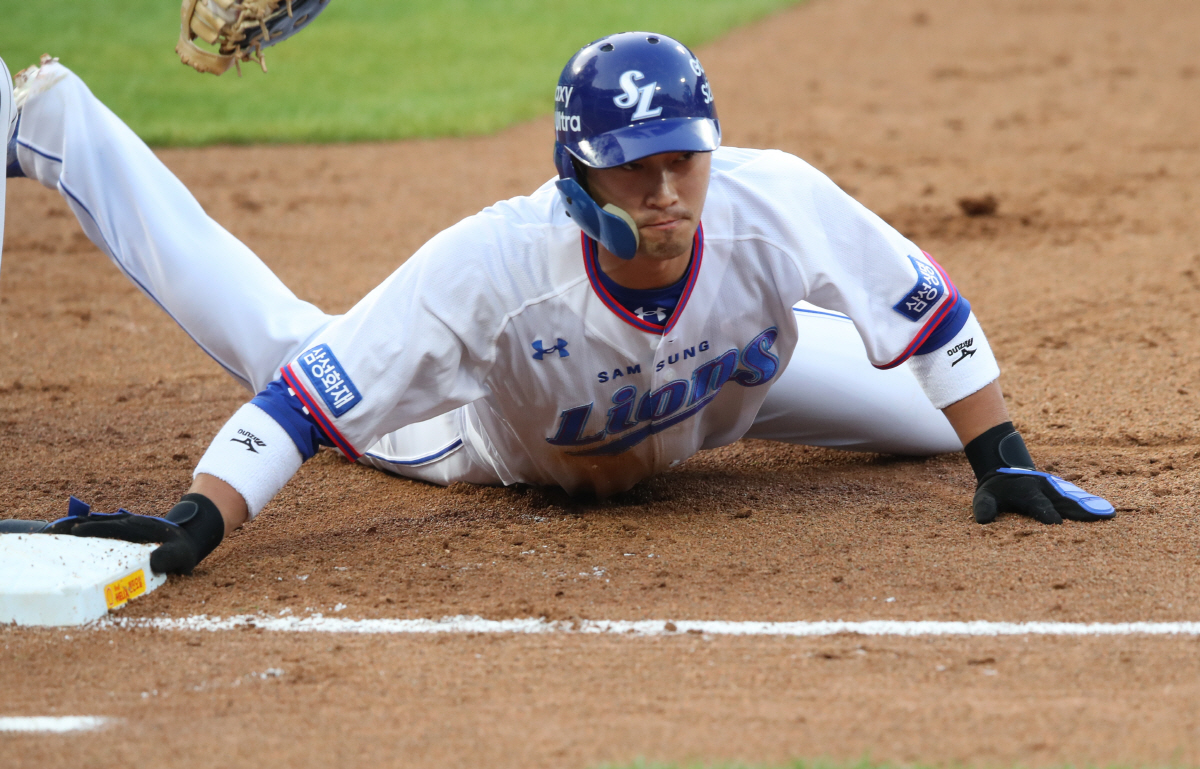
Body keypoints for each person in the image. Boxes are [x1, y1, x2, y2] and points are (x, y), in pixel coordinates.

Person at [0, 34, 1113, 575]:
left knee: (937, 419)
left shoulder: (777, 201)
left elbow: (927, 313)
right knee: (294, 344)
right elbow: (298, 405)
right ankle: (58, 126)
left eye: (684, 158)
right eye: (633, 166)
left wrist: (999, 451)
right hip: (494, 434)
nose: (666, 188)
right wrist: (201, 518)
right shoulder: (491, 269)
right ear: (576, 175)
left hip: (727, 389)